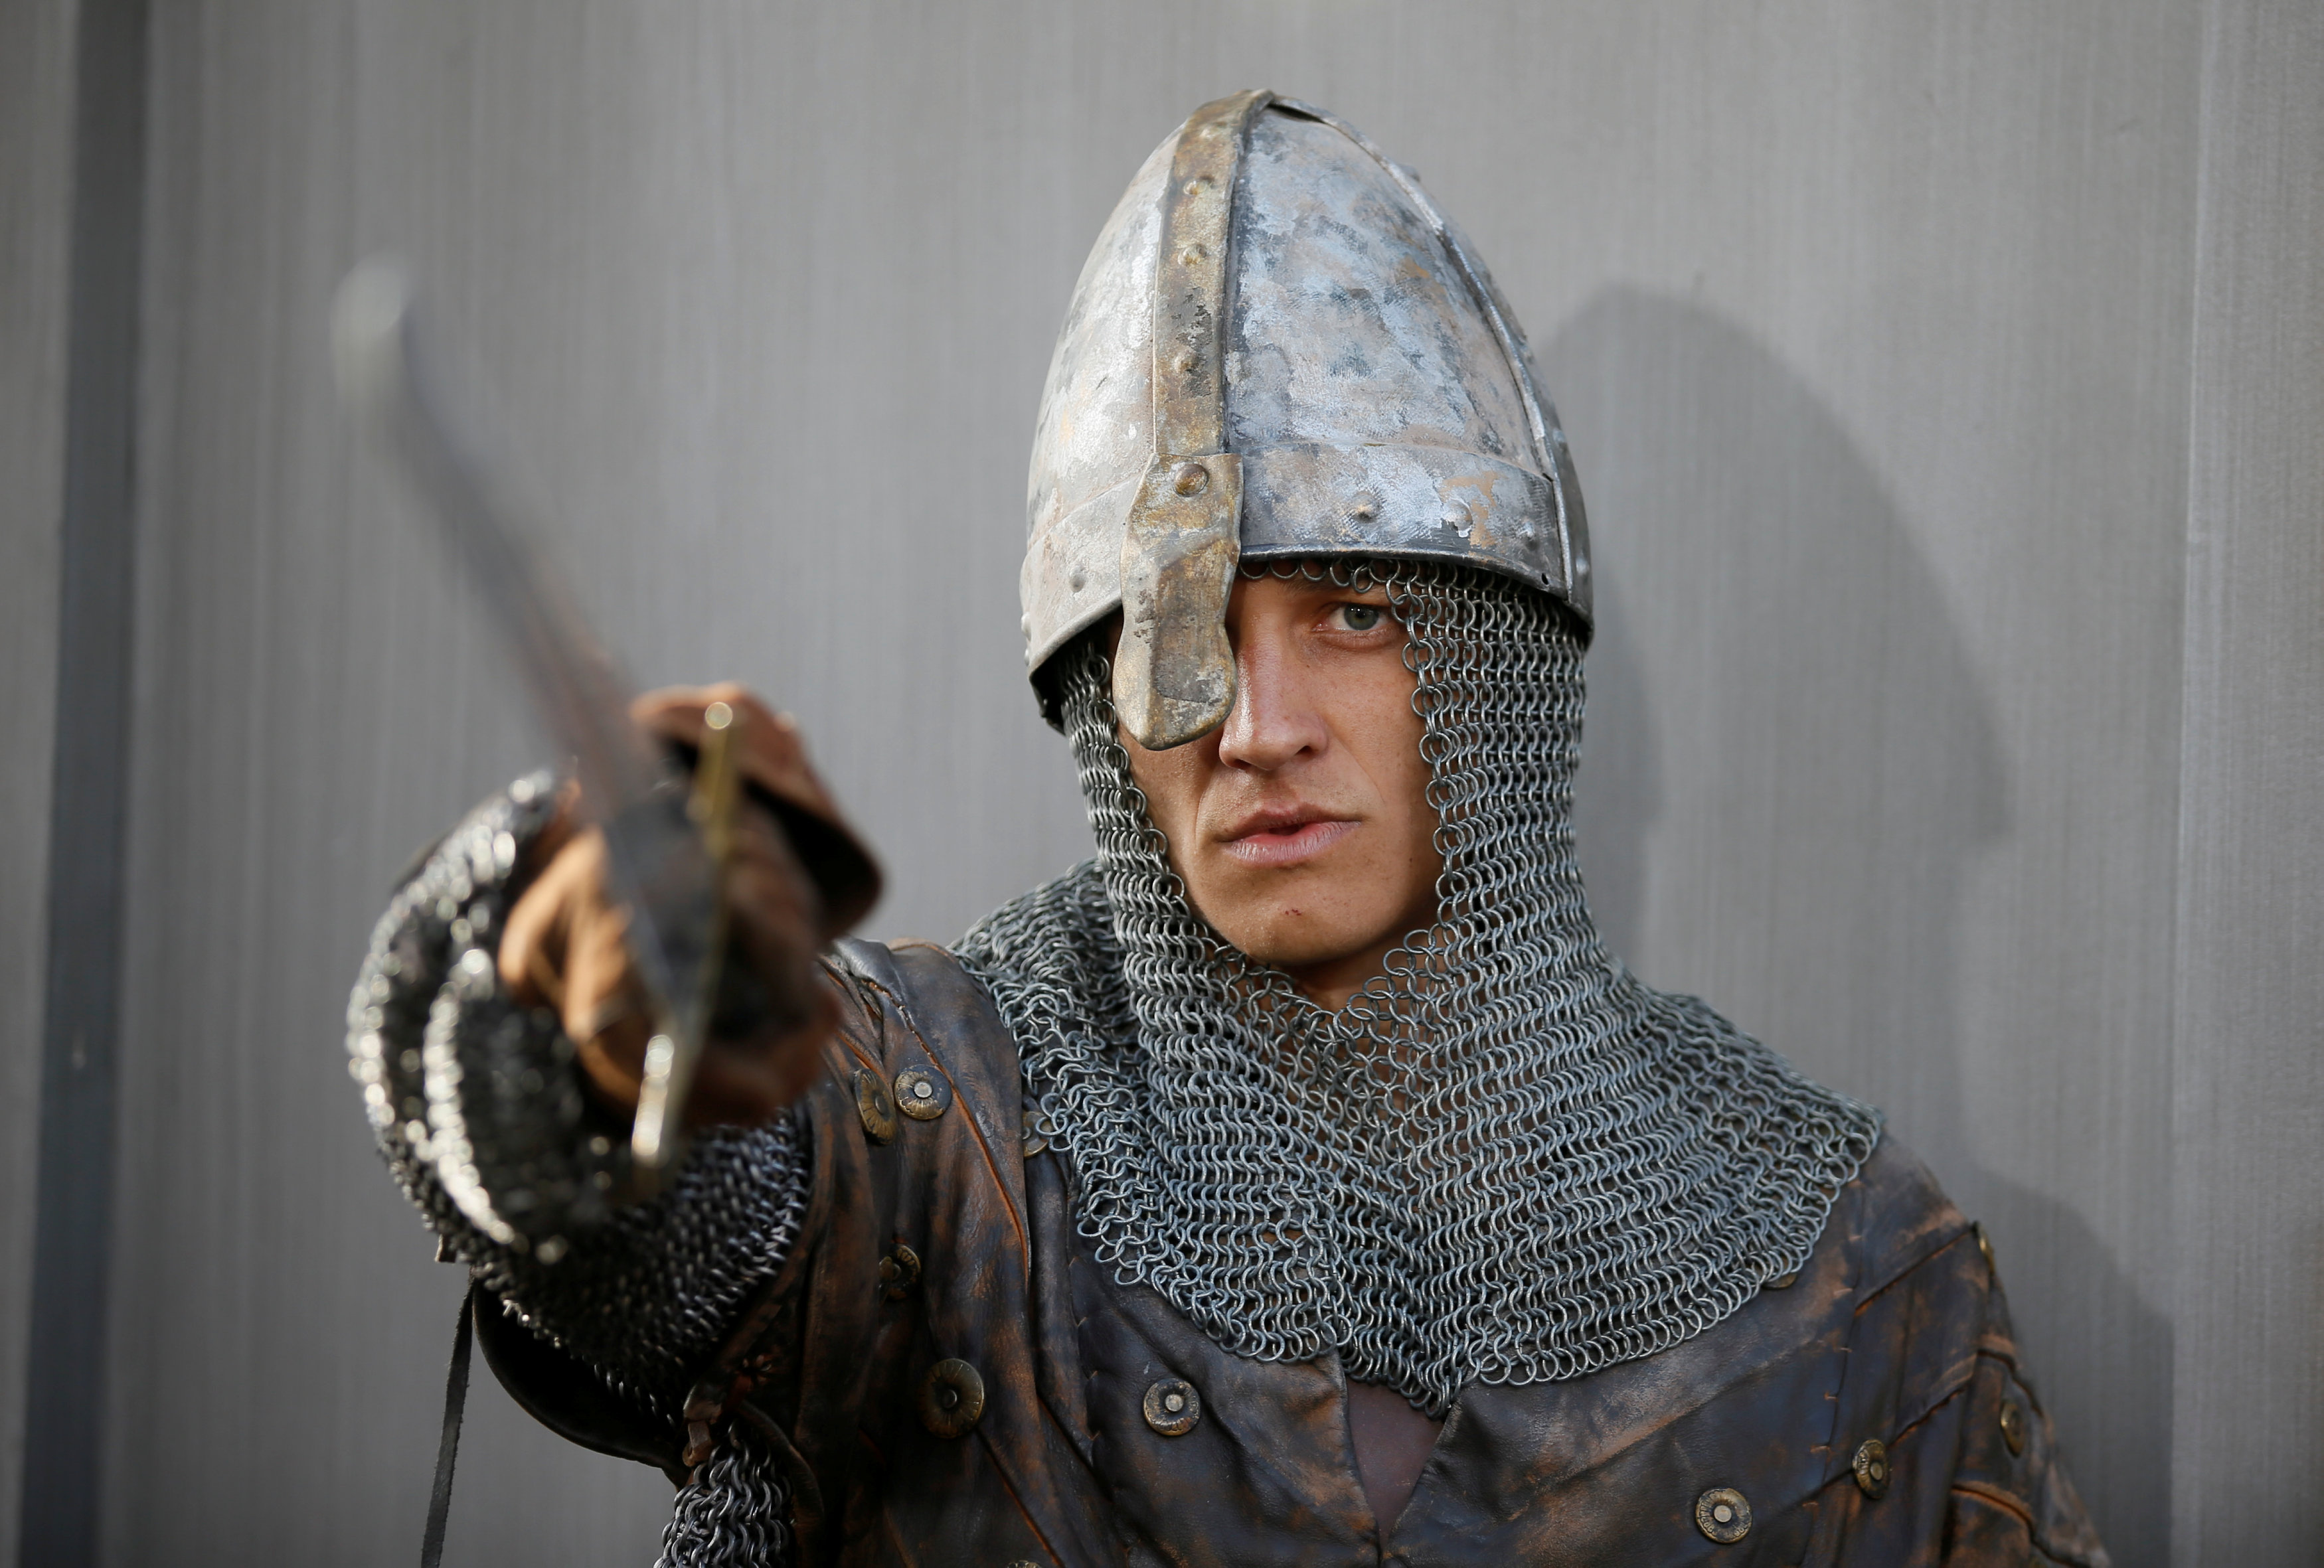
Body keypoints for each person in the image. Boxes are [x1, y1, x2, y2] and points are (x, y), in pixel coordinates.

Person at [349, 92, 2109, 1567]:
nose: (1252, 727)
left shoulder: (1856, 1277)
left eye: (1351, 610)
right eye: (1171, 637)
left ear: (1497, 668)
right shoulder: (936, 1127)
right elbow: (669, 1208)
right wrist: (569, 1033)